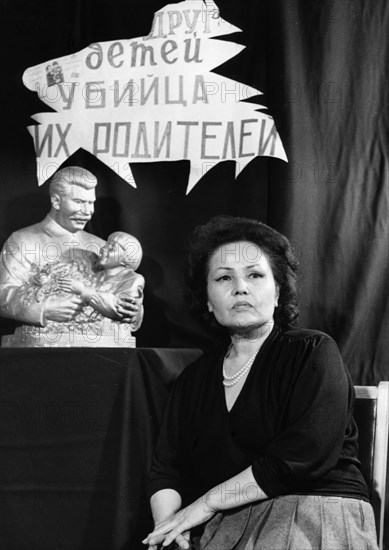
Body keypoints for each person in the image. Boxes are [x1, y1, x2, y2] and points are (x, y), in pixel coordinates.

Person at [143, 216, 378, 550]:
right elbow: (165, 469)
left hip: (315, 513)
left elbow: (300, 458)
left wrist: (205, 504)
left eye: (255, 275)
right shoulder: (193, 379)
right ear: (208, 300)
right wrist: (169, 528)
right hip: (228, 521)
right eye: (224, 278)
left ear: (278, 291)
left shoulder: (312, 350)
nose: (241, 287)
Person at [0, 166, 140, 339]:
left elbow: (125, 289)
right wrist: (46, 307)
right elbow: (2, 294)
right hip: (41, 351)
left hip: (101, 347)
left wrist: (133, 311)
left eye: (91, 203)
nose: (88, 212)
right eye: (79, 202)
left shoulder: (102, 247)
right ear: (56, 201)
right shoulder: (22, 240)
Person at [57, 231, 144, 331]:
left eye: (112, 248)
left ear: (126, 258)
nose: (103, 249)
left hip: (111, 338)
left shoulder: (132, 279)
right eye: (106, 245)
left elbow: (120, 309)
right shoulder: (94, 277)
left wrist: (83, 291)